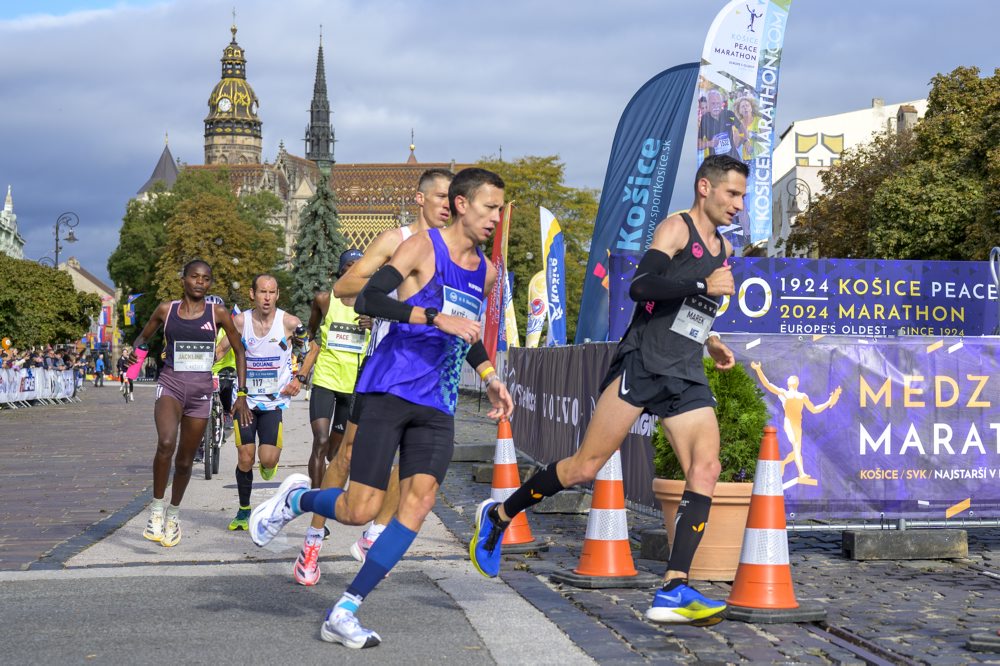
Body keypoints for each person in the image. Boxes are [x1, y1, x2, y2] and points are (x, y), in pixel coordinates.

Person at [470, 154, 746, 624]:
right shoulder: (677, 229)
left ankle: (673, 588)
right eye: (732, 193)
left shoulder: (723, 249)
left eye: (742, 196)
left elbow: (690, 310)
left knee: (707, 467)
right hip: (643, 361)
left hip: (683, 369)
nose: (738, 204)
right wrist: (703, 280)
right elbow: (642, 287)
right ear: (705, 188)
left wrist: (713, 340)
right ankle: (499, 516)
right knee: (584, 467)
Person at [248, 167, 513, 649]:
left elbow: (467, 333)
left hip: (438, 400)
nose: (496, 217)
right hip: (390, 389)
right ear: (460, 204)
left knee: (419, 502)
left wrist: (492, 377)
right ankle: (295, 500)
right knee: (357, 508)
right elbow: (366, 296)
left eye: (499, 208)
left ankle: (345, 609)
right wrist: (433, 316)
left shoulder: (488, 272)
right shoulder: (419, 248)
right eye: (489, 207)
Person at [290, 168, 454, 587]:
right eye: (440, 197)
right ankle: (313, 538)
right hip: (383, 368)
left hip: (429, 376)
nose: (448, 206)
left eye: (454, 200)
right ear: (420, 199)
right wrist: (388, 296)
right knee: (344, 456)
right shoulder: (395, 240)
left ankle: (374, 534)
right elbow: (348, 287)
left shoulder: (455, 252)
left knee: (408, 463)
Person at [130, 259, 251, 547]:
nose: (200, 282)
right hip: (171, 385)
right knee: (166, 443)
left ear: (210, 283)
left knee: (185, 461)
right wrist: (131, 366)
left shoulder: (218, 313)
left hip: (200, 393)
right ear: (183, 279)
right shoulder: (165, 310)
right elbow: (142, 339)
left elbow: (239, 351)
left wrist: (242, 394)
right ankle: (156, 510)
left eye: (206, 278)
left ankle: (173, 515)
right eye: (194, 277)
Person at [216, 275, 302, 531]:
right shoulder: (240, 321)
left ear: (277, 295)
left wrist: (299, 378)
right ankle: (243, 510)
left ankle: (269, 465)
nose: (267, 297)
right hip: (244, 399)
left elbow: (309, 349)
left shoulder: (289, 322)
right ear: (252, 294)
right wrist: (198, 366)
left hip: (274, 401)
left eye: (272, 292)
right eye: (262, 292)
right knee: (245, 457)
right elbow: (221, 350)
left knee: (267, 460)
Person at [750, 361, 842, 485]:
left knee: (797, 450)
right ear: (788, 383)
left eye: (795, 378)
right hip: (789, 424)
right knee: (797, 448)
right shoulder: (784, 393)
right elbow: (767, 384)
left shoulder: (803, 396)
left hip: (797, 425)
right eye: (790, 378)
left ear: (797, 383)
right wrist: (758, 369)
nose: (793, 379)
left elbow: (814, 409)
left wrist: (828, 402)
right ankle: (802, 473)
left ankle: (783, 464)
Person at [697, 89, 744, 161]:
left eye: (718, 103)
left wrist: (743, 139)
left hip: (733, 160)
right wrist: (710, 143)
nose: (716, 106)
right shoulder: (705, 119)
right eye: (713, 103)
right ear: (708, 104)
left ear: (722, 103)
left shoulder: (729, 114)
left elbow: (742, 129)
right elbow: (698, 144)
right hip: (716, 164)